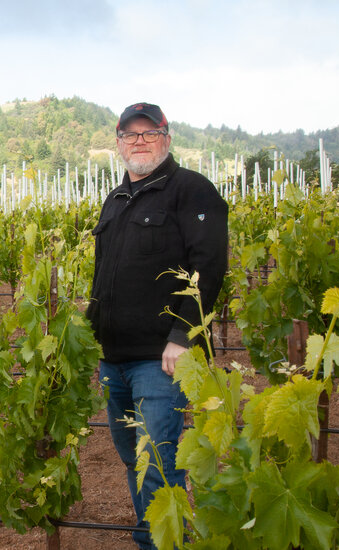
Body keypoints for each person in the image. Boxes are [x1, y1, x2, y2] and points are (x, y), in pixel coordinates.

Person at [87, 103, 228, 549]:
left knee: (159, 462)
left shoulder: (191, 191)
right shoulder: (117, 197)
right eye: (131, 135)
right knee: (133, 458)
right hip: (114, 359)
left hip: (161, 360)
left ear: (167, 138)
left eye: (150, 133)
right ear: (119, 144)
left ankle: (160, 543)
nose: (140, 141)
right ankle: (155, 533)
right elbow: (104, 273)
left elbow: (209, 265)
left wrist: (183, 336)